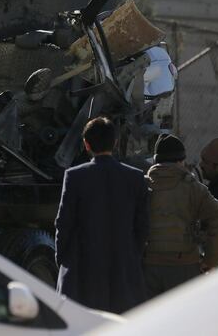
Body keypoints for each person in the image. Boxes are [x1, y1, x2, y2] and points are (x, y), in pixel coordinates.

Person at [54, 117, 149, 314]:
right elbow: (142, 226)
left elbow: (64, 223)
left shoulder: (74, 176)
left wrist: (63, 258)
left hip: (82, 267)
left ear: (86, 144)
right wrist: (132, 255)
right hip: (123, 267)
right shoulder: (135, 177)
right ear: (115, 142)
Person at [143, 134, 218, 299]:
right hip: (184, 267)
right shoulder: (193, 188)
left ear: (155, 161)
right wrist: (211, 261)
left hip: (148, 267)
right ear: (181, 160)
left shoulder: (142, 185)